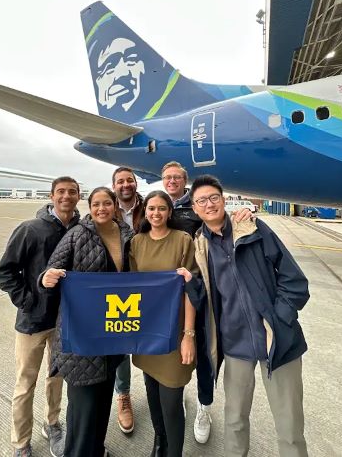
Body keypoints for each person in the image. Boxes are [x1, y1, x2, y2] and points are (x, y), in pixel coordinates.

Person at [187, 174, 310, 456]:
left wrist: (280, 319)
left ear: (224, 200)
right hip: (235, 345)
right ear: (194, 208)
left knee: (290, 430)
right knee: (234, 421)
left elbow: (294, 281)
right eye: (201, 200)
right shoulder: (200, 246)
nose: (209, 204)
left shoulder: (253, 228)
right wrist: (188, 283)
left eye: (214, 197)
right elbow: (207, 297)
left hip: (278, 340)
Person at [161, 161, 253, 444]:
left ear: (184, 181)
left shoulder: (198, 205)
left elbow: (219, 223)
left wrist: (244, 214)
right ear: (162, 180)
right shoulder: (157, 204)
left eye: (177, 177)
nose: (172, 181)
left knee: (203, 350)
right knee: (171, 354)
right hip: (167, 295)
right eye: (168, 177)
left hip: (199, 288)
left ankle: (203, 405)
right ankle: (179, 399)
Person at [40, 187, 133, 457]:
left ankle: (96, 450)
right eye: (96, 204)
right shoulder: (77, 235)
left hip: (113, 333)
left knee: (103, 403)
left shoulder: (127, 236)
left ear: (115, 206)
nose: (101, 208)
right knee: (82, 410)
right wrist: (47, 278)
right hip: (81, 336)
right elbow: (51, 269)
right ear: (90, 207)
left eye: (107, 203)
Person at [0, 176, 81, 457]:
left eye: (72, 192)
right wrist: (28, 301)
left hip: (63, 322)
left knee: (56, 379)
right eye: (61, 192)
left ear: (79, 196)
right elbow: (5, 272)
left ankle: (53, 423)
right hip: (32, 321)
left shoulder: (80, 230)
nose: (66, 196)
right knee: (25, 383)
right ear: (52, 196)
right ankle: (21, 442)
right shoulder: (30, 229)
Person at [129, 190, 197, 457]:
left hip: (174, 332)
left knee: (171, 402)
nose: (156, 213)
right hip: (147, 331)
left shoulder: (183, 240)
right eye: (151, 208)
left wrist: (188, 335)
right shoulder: (136, 242)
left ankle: (174, 451)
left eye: (161, 208)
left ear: (170, 212)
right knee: (153, 396)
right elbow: (131, 289)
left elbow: (190, 291)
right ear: (145, 212)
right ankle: (160, 441)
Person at [111, 166, 144, 433]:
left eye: (129, 180)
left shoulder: (149, 207)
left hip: (148, 286)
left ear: (135, 183)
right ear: (114, 186)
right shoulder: (105, 210)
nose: (125, 185)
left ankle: (164, 389)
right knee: (120, 343)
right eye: (120, 181)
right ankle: (123, 396)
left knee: (152, 341)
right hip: (119, 289)